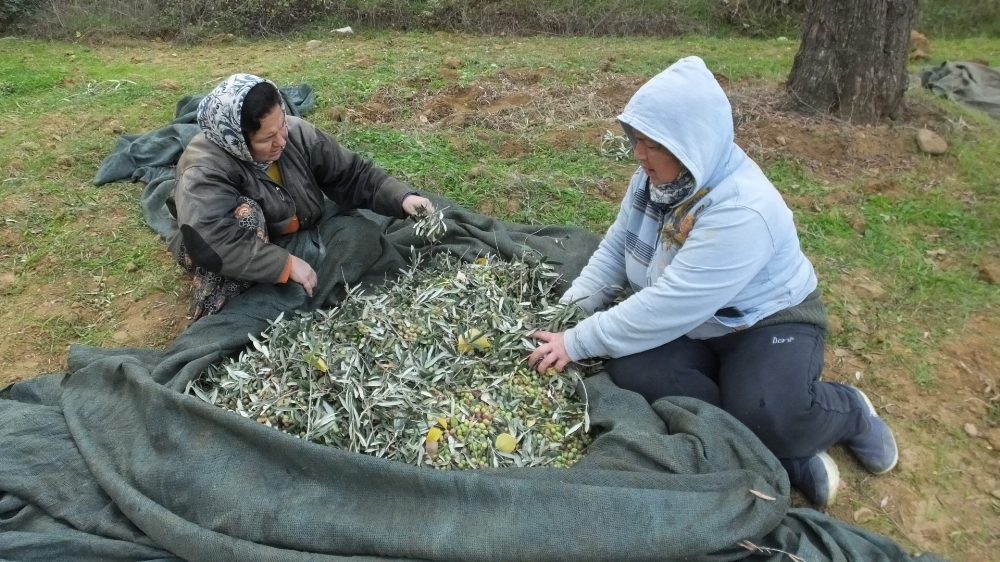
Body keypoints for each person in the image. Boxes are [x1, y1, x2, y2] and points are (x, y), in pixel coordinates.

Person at [527, 56, 897, 508]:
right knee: (630, 367)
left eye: (651, 144)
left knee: (770, 412)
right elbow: (615, 250)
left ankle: (845, 414)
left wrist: (578, 341)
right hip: (696, 323)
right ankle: (773, 440)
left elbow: (670, 304)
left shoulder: (741, 208)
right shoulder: (655, 182)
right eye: (636, 141)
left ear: (691, 146)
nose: (638, 154)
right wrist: (568, 314)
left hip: (762, 322)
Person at [170, 74, 431, 318]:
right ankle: (222, 296)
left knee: (360, 235)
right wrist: (283, 264)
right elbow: (212, 239)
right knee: (246, 215)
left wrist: (402, 198)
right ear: (235, 139)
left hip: (289, 231)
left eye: (281, 125)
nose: (281, 141)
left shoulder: (296, 135)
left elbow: (352, 173)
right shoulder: (203, 171)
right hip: (210, 247)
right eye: (267, 138)